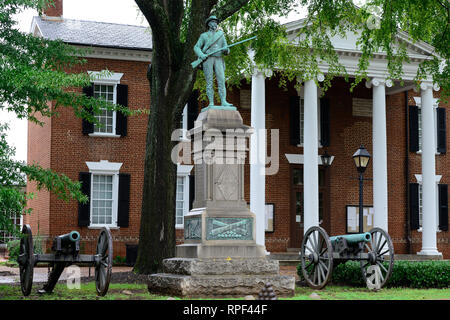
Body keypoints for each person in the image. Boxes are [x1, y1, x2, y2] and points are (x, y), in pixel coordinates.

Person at [194, 15, 233, 107]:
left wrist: (226, 50)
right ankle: (211, 102)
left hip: (219, 58)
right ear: (209, 24)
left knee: (221, 80)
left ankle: (223, 101)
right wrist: (201, 55)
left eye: (216, 22)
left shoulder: (221, 35)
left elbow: (226, 48)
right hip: (208, 59)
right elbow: (196, 47)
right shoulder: (204, 36)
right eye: (213, 22)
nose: (215, 24)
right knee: (209, 81)